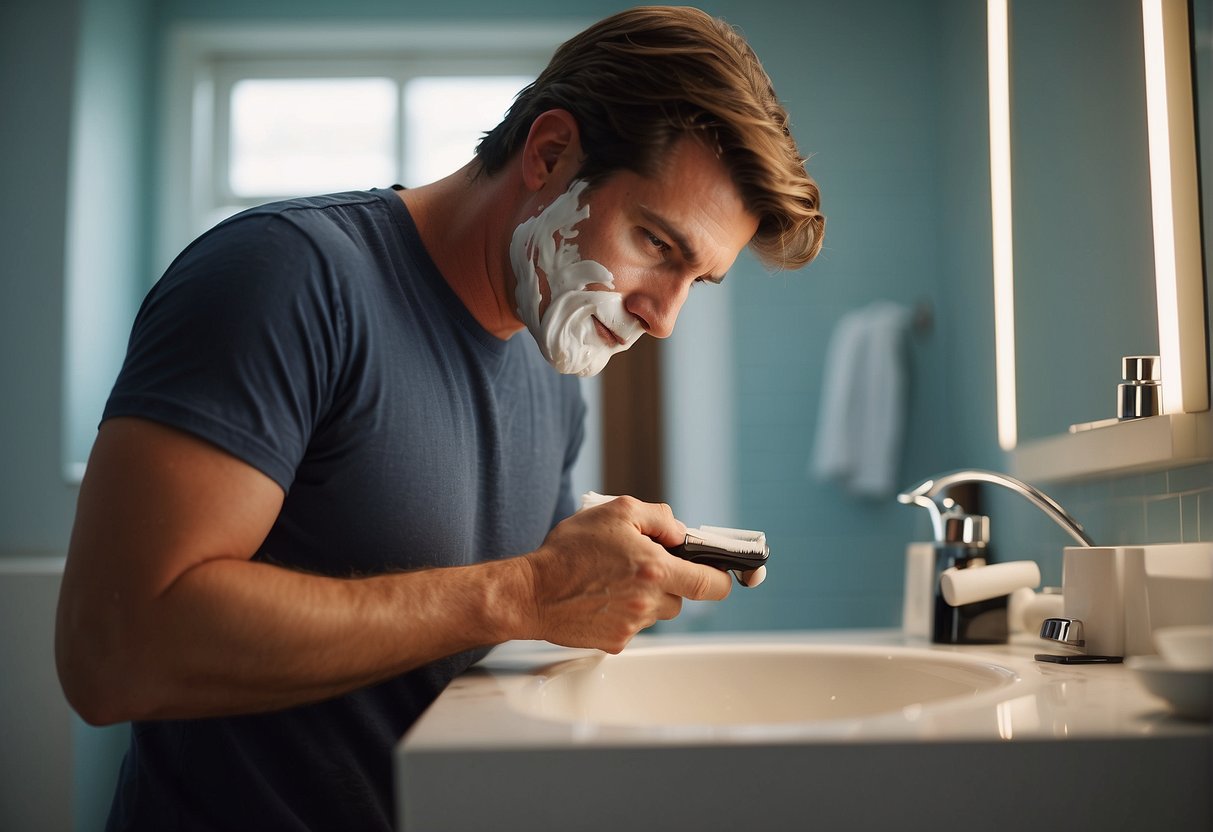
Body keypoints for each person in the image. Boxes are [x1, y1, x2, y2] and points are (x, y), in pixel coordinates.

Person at [55, 6, 824, 830]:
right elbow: (114, 652)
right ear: (549, 152)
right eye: (656, 245)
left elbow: (469, 649)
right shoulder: (282, 278)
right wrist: (525, 589)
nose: (664, 317)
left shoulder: (550, 374)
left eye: (695, 280)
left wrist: (585, 588)